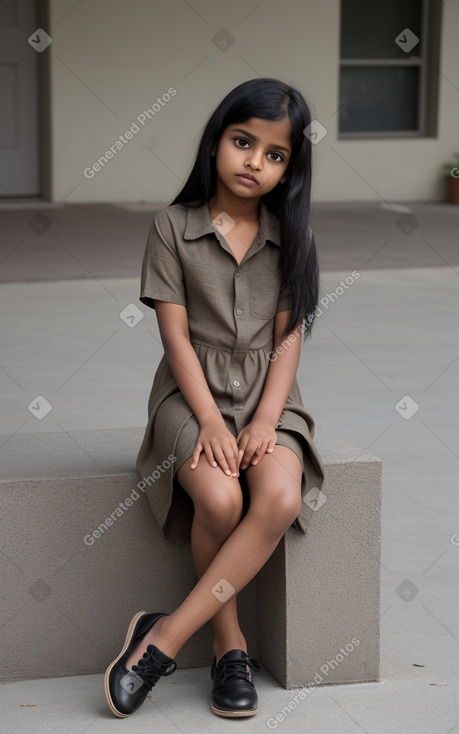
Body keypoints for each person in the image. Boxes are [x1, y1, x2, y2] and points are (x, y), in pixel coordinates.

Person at [104, 77, 325, 720]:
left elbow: (289, 344)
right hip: (190, 393)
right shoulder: (173, 227)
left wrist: (263, 421)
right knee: (223, 497)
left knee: (278, 495)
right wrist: (208, 420)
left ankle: (163, 637)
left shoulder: (295, 239)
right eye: (242, 141)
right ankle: (230, 645)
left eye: (275, 154)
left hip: (270, 399)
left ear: (289, 171)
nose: (254, 161)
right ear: (217, 142)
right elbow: (174, 336)